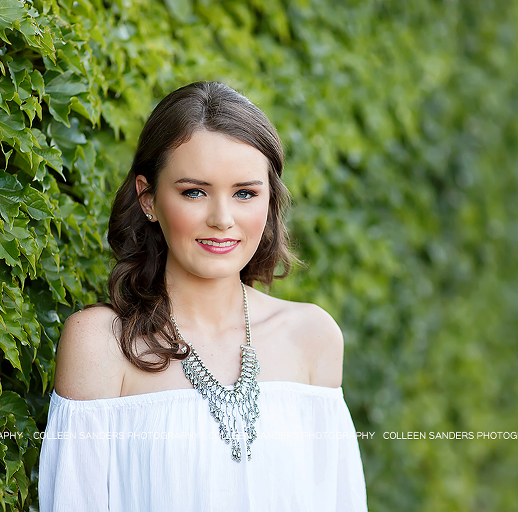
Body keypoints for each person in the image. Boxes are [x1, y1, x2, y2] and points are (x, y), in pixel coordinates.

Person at [38, 81, 368, 511]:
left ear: (269, 202)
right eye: (194, 191)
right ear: (148, 198)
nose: (222, 219)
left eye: (245, 193)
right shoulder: (101, 344)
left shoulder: (313, 337)